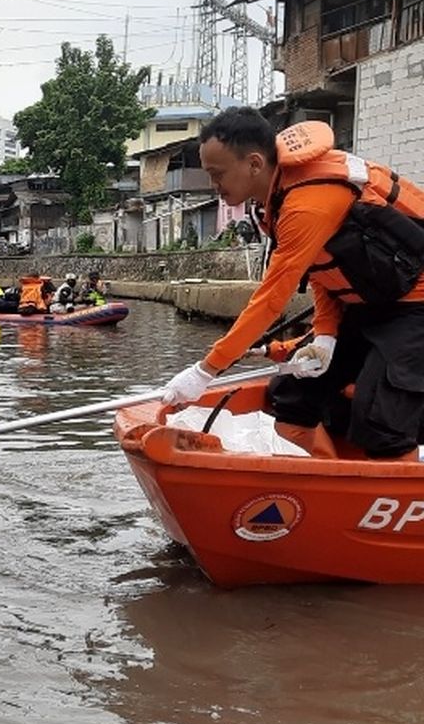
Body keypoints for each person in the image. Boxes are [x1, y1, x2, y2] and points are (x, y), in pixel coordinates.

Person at [161, 107, 424, 460]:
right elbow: (323, 270)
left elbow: (271, 299)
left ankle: (394, 503)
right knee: (291, 400)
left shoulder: (306, 205)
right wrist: (327, 335)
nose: (214, 185)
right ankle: (331, 489)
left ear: (254, 163)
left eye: (217, 174)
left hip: (415, 306)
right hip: (367, 304)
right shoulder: (274, 200)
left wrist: (205, 370)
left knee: (381, 421)